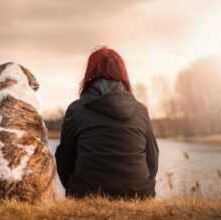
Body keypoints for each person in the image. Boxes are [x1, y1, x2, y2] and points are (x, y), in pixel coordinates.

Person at [55, 46, 159, 199]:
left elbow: (64, 159)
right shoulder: (141, 110)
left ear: (90, 73)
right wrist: (144, 187)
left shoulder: (76, 110)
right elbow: (153, 159)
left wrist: (74, 188)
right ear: (122, 73)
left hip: (86, 194)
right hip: (139, 194)